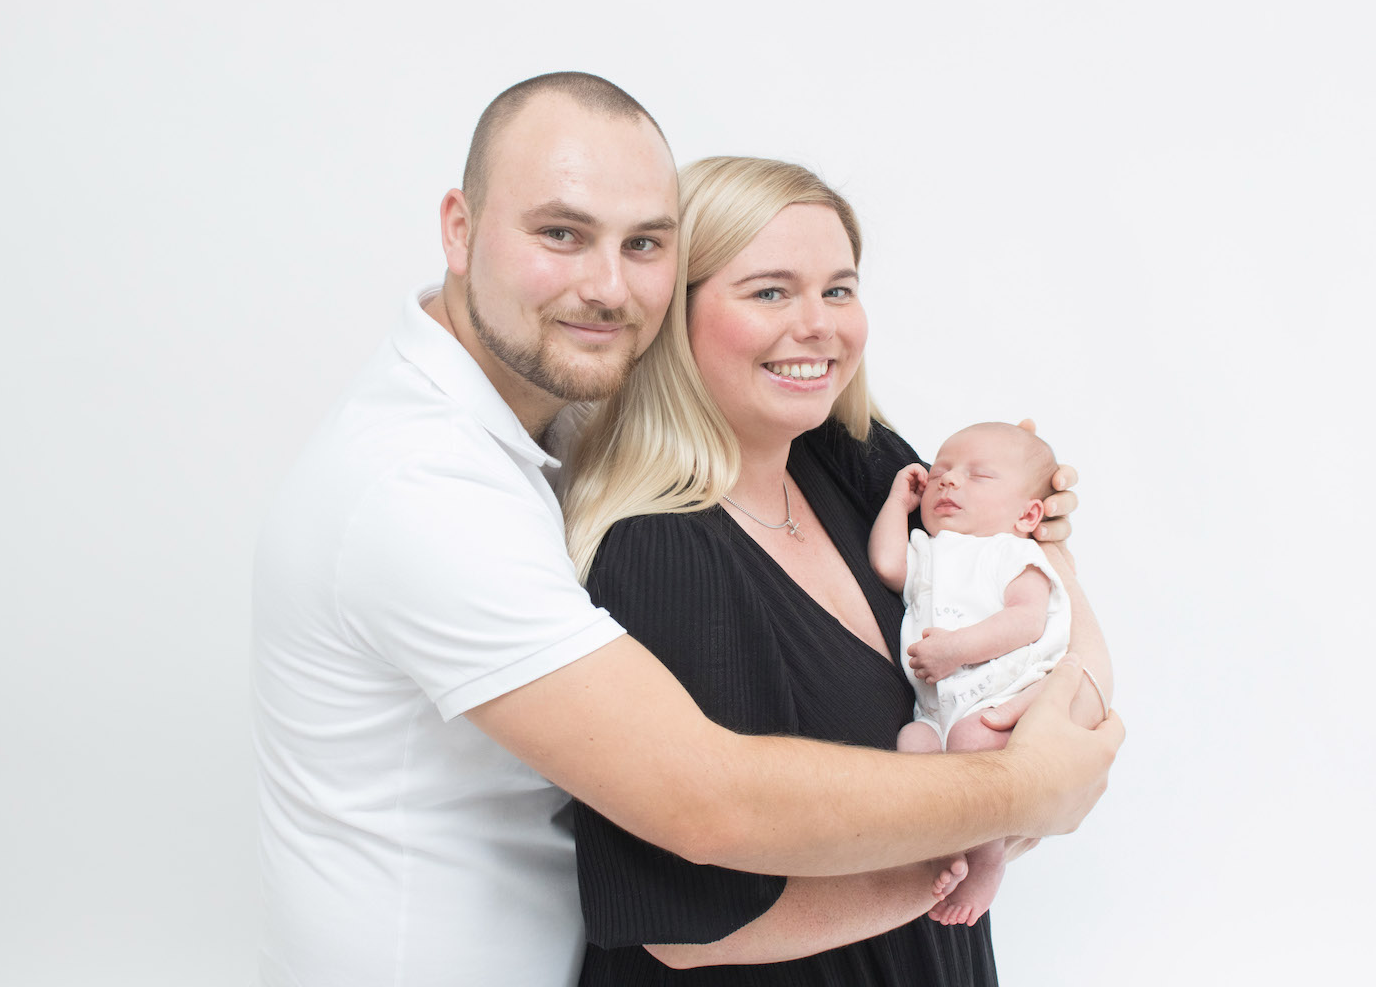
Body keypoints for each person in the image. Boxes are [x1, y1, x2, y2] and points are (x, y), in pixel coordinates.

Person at [254, 73, 1121, 987]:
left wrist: (1038, 538)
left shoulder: (830, 453)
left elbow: (1048, 620)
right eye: (561, 232)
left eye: (642, 244)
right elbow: (703, 808)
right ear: (460, 231)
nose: (607, 285)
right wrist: (1020, 799)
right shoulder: (425, 491)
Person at [563, 156, 1114, 984]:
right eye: (770, 291)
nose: (819, 324)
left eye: (839, 289)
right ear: (673, 316)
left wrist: (1052, 557)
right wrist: (1010, 808)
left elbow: (1057, 647)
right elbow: (687, 928)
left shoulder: (853, 464)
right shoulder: (656, 551)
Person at [868, 421, 1091, 929]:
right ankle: (940, 848)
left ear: (1028, 514)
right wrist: (896, 506)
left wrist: (955, 651)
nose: (948, 482)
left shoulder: (1015, 554)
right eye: (942, 471)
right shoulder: (928, 549)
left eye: (978, 476)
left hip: (997, 699)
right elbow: (886, 565)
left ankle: (988, 857)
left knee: (972, 740)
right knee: (913, 744)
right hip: (936, 707)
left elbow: (1025, 620)